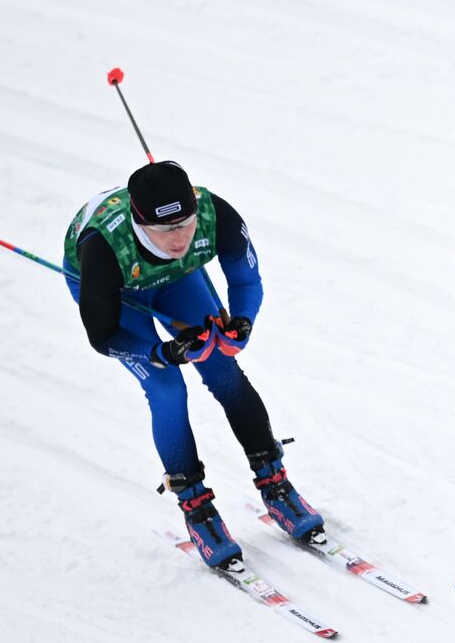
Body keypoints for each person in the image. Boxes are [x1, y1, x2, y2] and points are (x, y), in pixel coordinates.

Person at [63, 160, 323, 570]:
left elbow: (246, 281)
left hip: (175, 280)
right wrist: (160, 354)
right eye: (165, 230)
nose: (179, 237)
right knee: (167, 389)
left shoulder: (215, 214)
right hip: (119, 288)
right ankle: (197, 508)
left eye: (185, 223)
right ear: (138, 222)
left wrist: (242, 323)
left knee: (223, 368)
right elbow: (103, 337)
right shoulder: (103, 247)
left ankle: (275, 483)